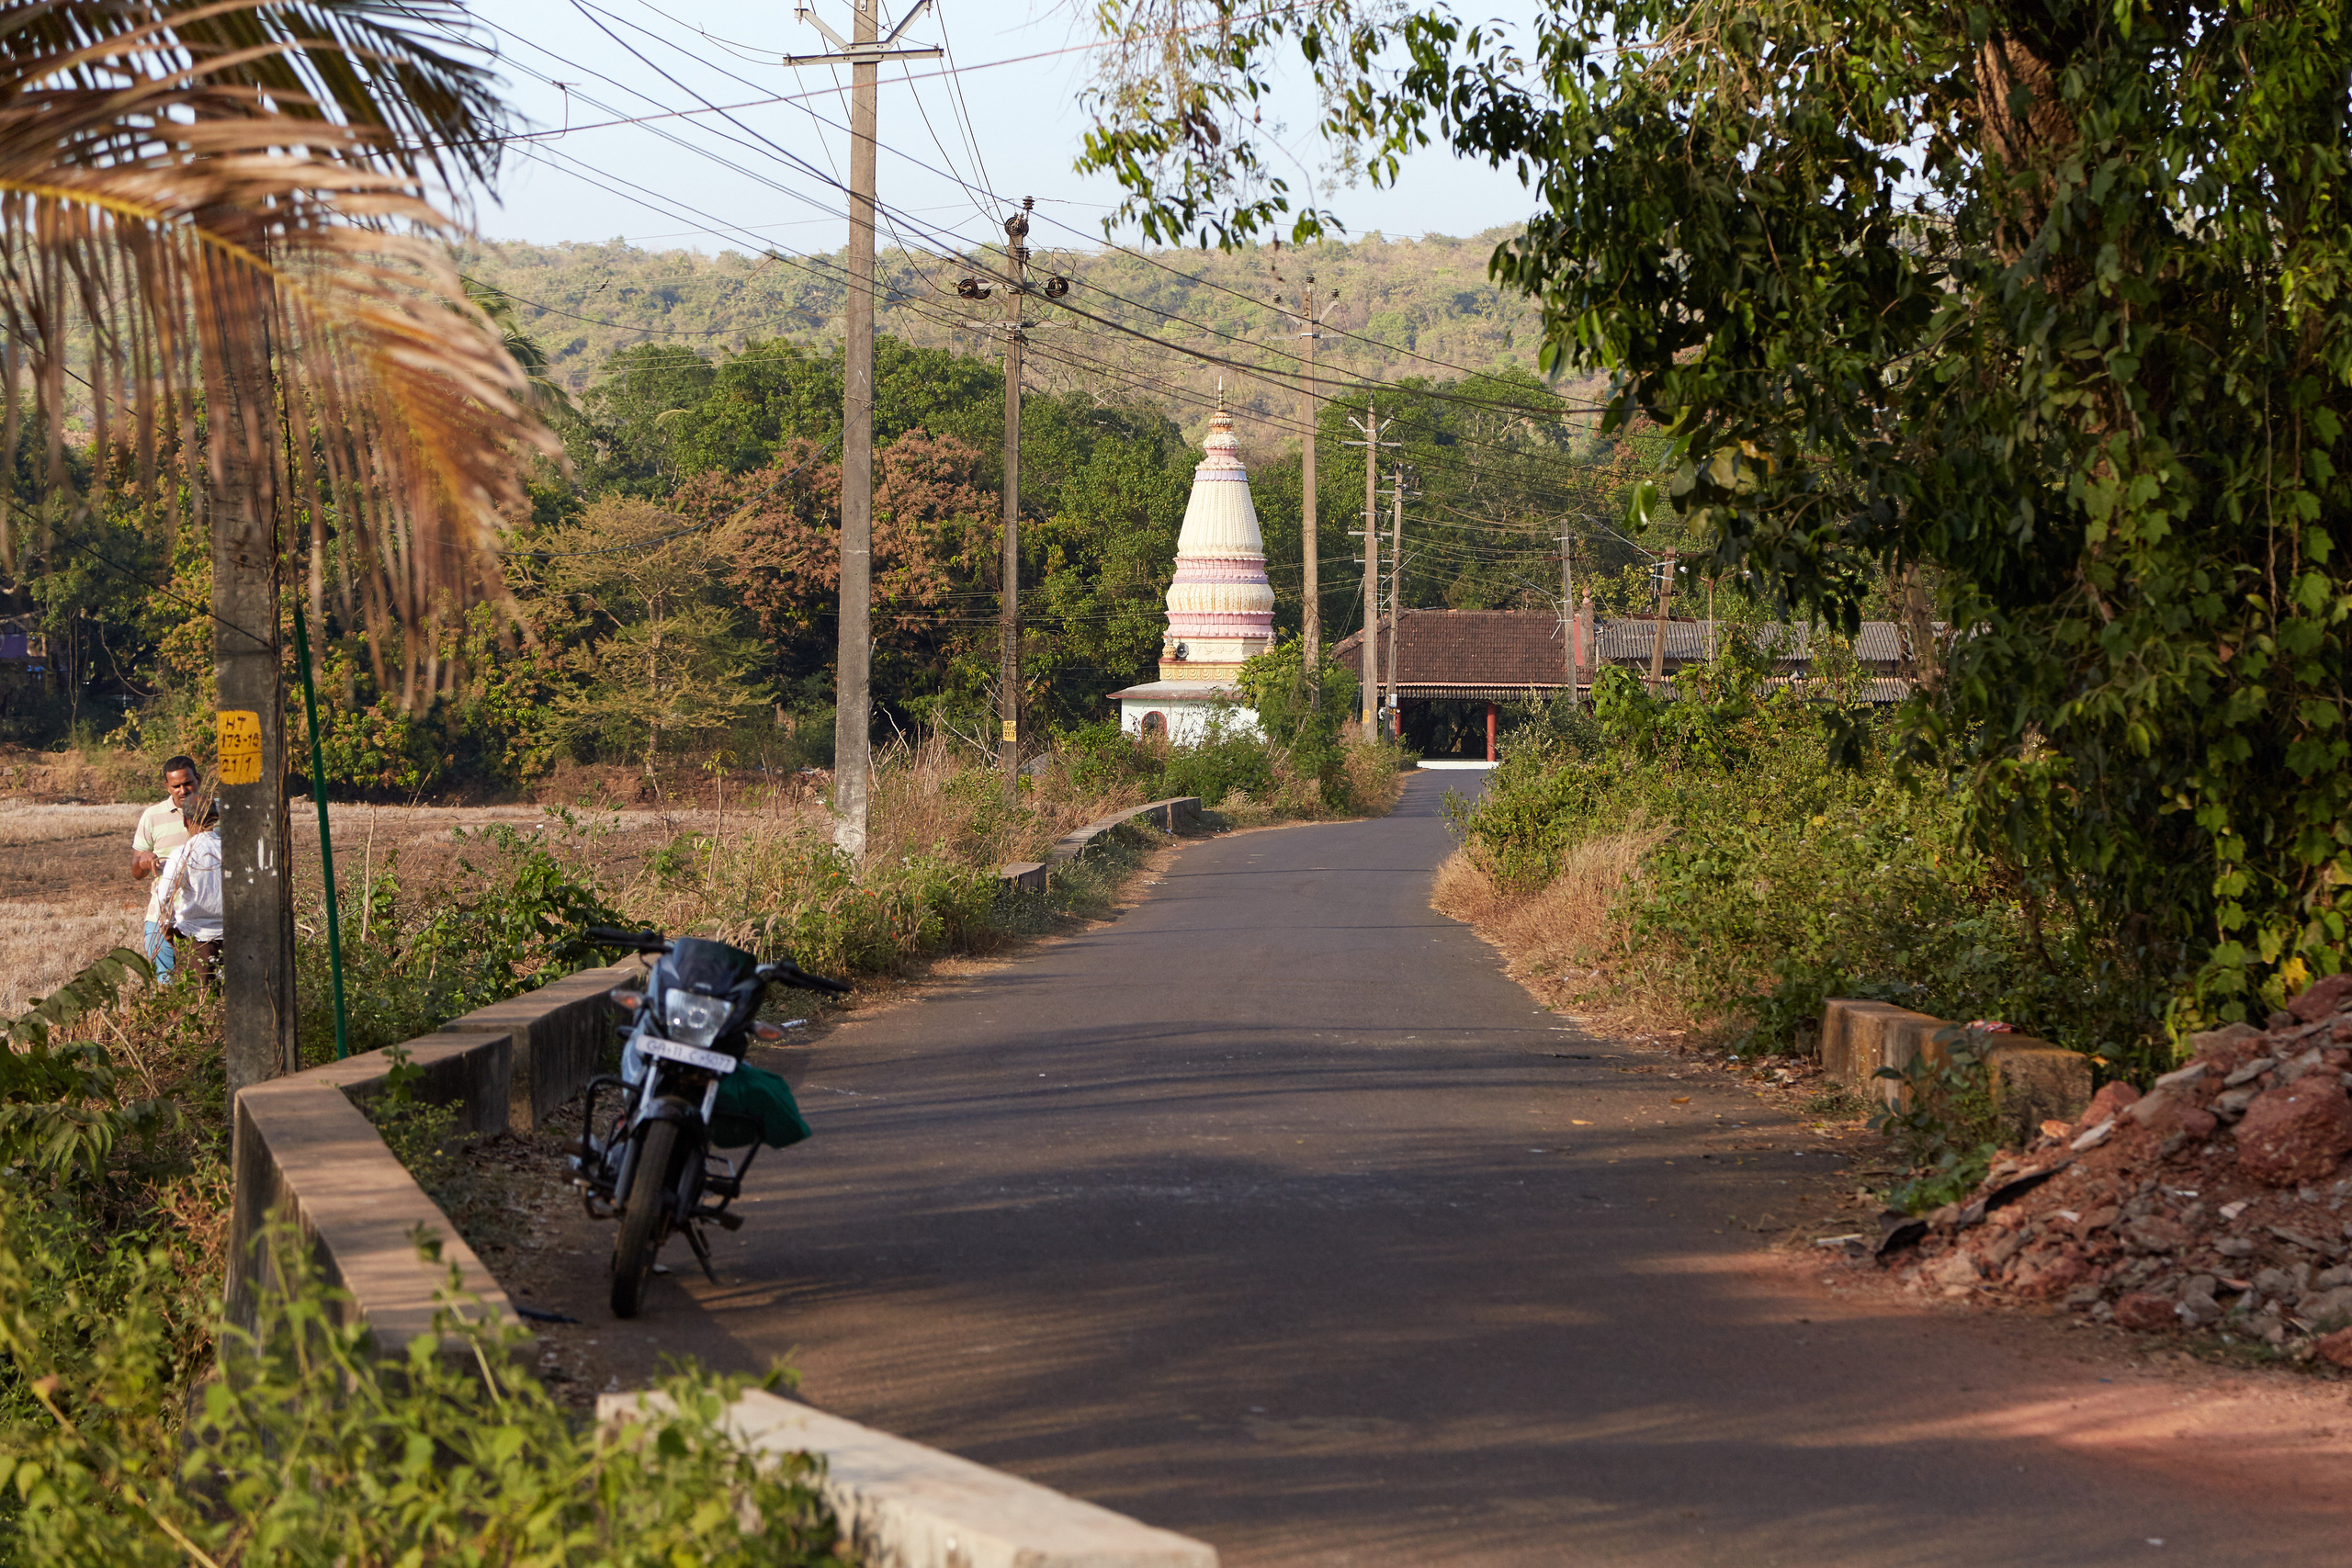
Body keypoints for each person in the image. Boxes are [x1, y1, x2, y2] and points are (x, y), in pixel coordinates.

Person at [133, 756, 201, 981]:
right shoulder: (152, 816)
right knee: (166, 985)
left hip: (206, 920)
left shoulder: (218, 811)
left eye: (188, 783)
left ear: (198, 779)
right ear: (167, 787)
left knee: (207, 986)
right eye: (176, 786)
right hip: (162, 918)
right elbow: (136, 872)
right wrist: (143, 860)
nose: (183, 790)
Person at [154, 802, 224, 987]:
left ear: (185, 821)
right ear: (216, 818)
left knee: (196, 999)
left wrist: (168, 928)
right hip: (236, 939)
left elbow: (164, 896)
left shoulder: (183, 854)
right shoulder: (234, 851)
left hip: (195, 941)